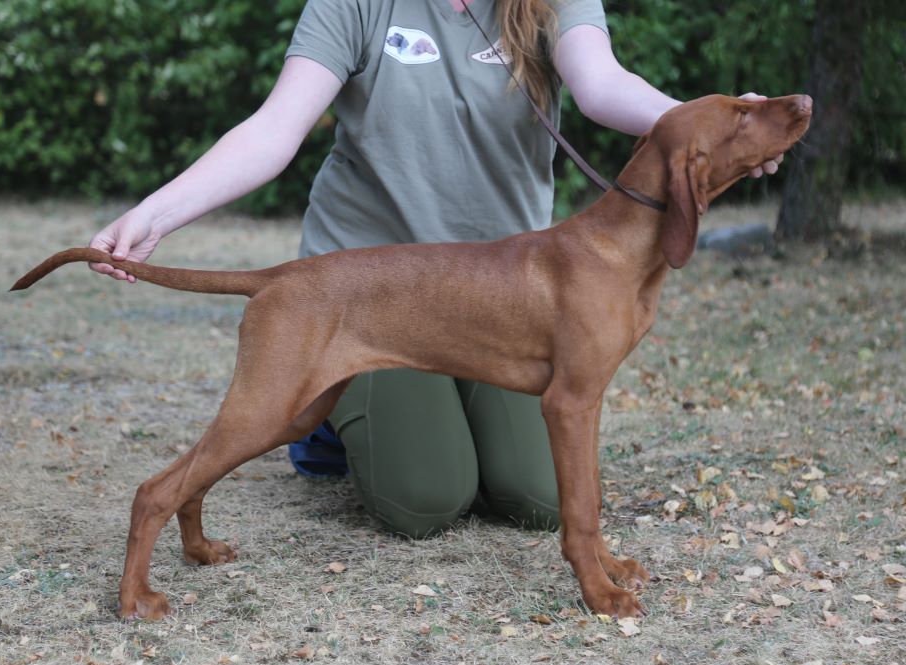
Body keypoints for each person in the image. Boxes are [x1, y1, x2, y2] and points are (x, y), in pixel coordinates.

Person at [88, 0, 782, 538]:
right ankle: (323, 407)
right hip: (371, 297)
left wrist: (720, 130)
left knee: (538, 498)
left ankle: (394, 413)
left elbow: (602, 87)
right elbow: (275, 129)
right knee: (425, 499)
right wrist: (156, 214)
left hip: (505, 296)